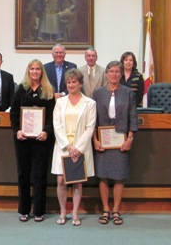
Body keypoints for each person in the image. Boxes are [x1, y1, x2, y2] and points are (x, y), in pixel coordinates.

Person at [92, 60, 138, 226]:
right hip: (102, 141)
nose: (114, 74)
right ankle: (105, 209)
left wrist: (130, 139)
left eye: (117, 72)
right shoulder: (98, 93)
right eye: (111, 71)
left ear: (121, 74)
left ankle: (116, 210)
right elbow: (93, 119)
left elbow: (133, 117)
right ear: (106, 74)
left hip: (121, 141)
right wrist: (95, 140)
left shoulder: (128, 93)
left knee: (119, 176)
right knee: (103, 176)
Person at [10, 59, 55, 222]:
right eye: (32, 69)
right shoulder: (21, 89)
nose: (35, 72)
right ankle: (24, 209)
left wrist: (46, 132)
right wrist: (17, 131)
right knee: (23, 174)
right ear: (28, 71)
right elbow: (14, 113)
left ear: (42, 72)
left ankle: (38, 210)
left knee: (39, 175)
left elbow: (52, 117)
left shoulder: (48, 91)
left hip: (41, 139)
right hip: (23, 139)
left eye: (38, 69)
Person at [52, 69, 96, 226]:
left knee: (78, 181)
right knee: (61, 180)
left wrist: (77, 148)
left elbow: (90, 127)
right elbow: (56, 125)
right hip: (63, 147)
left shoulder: (90, 103)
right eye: (69, 82)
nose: (71, 84)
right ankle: (63, 211)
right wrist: (68, 147)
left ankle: (75, 213)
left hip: (80, 148)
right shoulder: (59, 102)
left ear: (80, 83)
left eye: (74, 82)